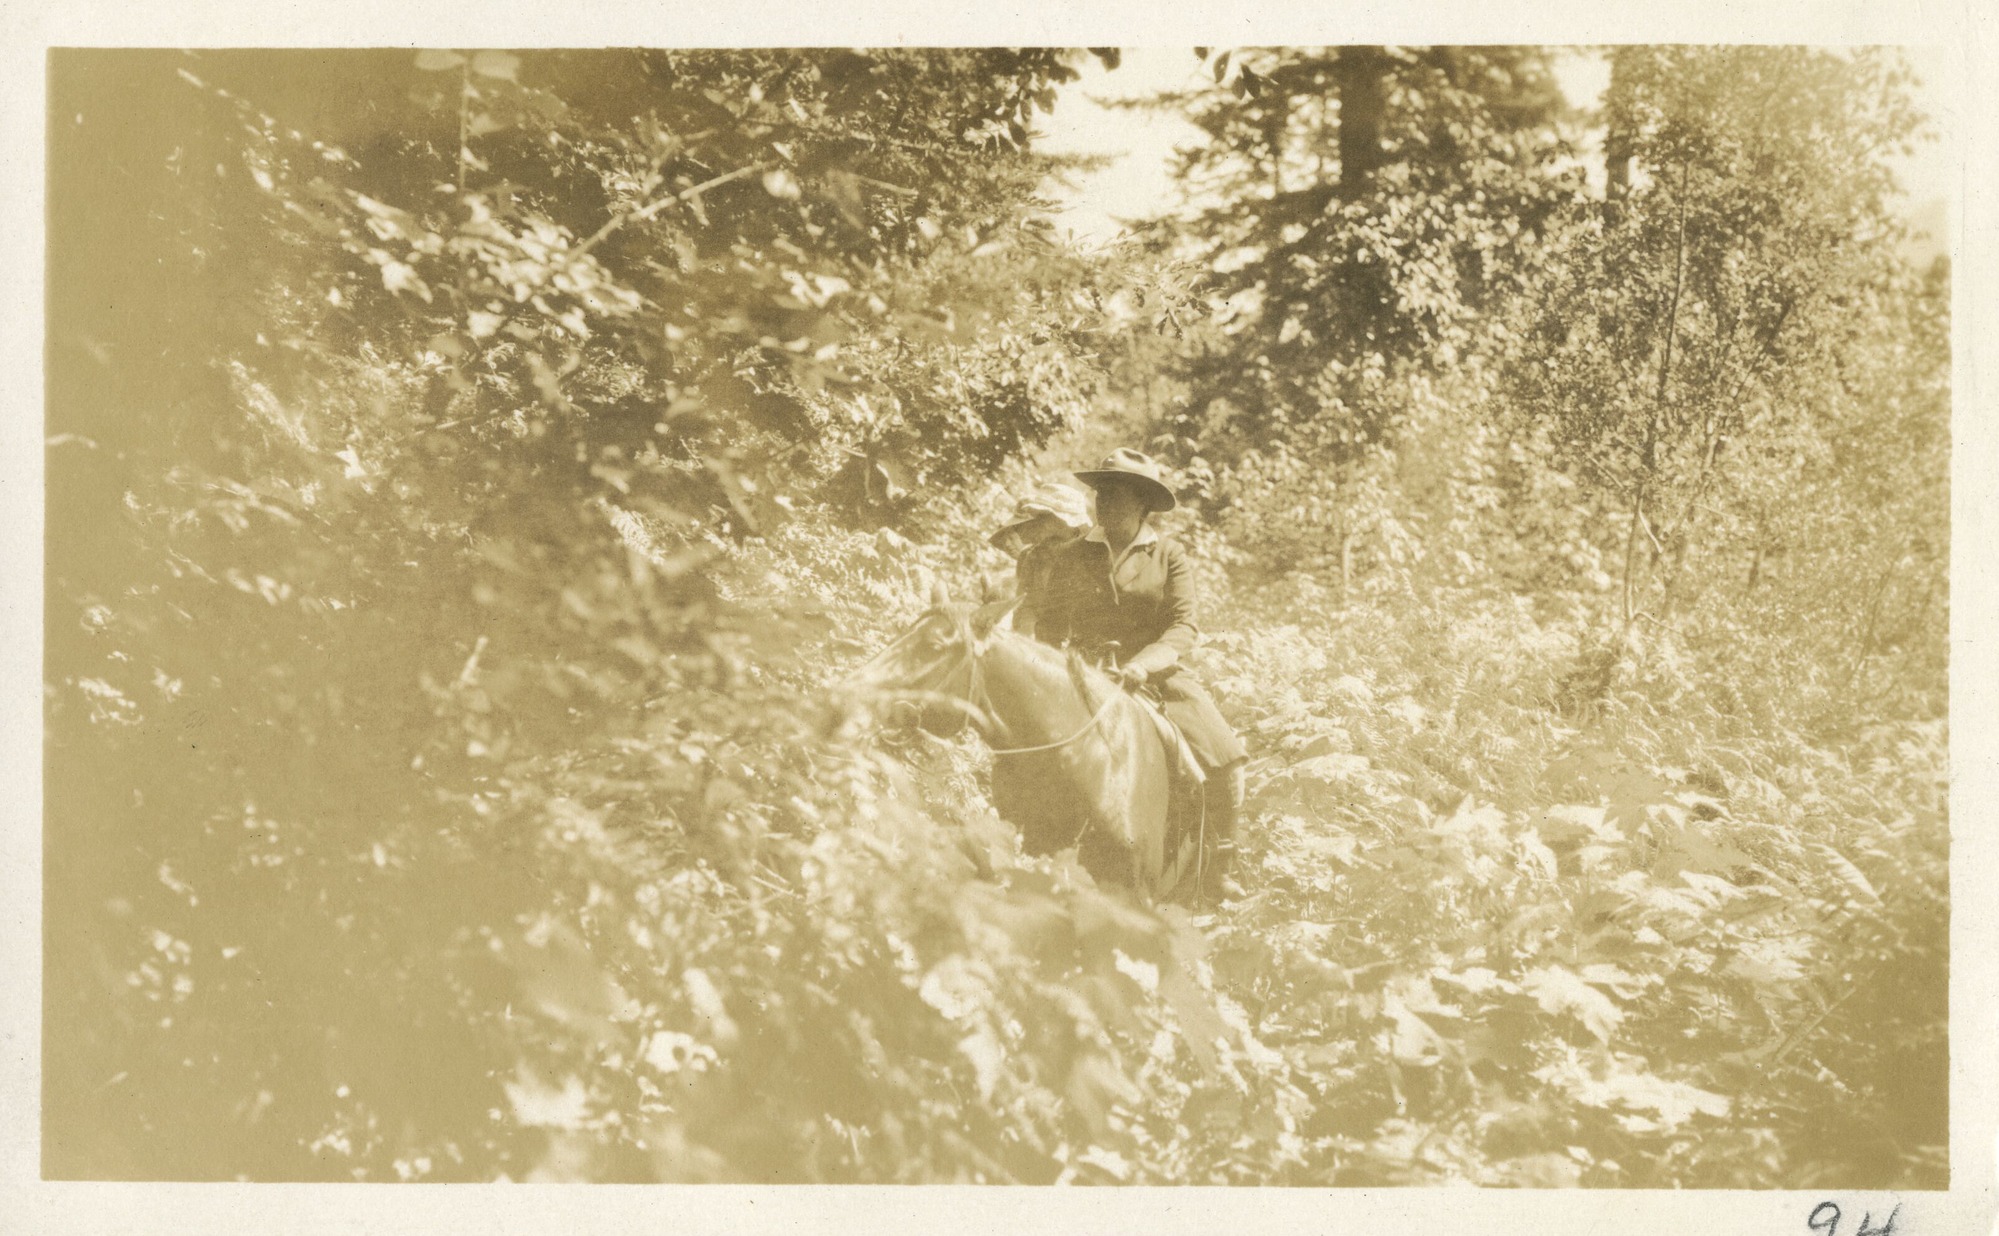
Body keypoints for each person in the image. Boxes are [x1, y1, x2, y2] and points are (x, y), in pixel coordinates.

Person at [1024, 448, 1249, 900]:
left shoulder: (1168, 555)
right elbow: (1049, 625)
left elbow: (1183, 624)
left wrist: (1144, 665)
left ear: (1142, 503)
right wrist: (1053, 674)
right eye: (1101, 493)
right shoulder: (1072, 556)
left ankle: (1218, 865)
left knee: (1225, 759)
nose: (1105, 504)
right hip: (1084, 673)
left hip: (1155, 676)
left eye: (1119, 495)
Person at [987, 480, 1091, 639]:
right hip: (1039, 635)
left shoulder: (1087, 556)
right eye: (1041, 517)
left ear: (1070, 523)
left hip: (1076, 636)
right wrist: (1025, 637)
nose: (1042, 523)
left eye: (1049, 517)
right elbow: (1025, 603)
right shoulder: (1034, 556)